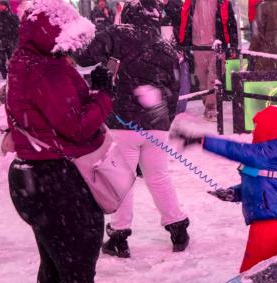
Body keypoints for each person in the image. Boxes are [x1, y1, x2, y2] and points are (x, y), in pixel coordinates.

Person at [5, 0, 111, 283]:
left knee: (54, 260)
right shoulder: (46, 69)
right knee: (77, 265)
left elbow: (52, 110)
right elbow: (76, 126)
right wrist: (104, 97)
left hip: (31, 175)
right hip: (56, 179)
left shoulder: (25, 61)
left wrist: (87, 88)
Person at [74, 0, 192, 259]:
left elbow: (83, 56)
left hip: (123, 122)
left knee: (122, 181)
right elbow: (175, 91)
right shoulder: (166, 47)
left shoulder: (117, 35)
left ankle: (119, 235)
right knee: (159, 177)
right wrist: (164, 120)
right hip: (157, 122)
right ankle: (177, 228)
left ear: (127, 15)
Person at [174, 105, 277, 273]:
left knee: (253, 274)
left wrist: (201, 140)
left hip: (268, 226)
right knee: (264, 274)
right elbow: (262, 184)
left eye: (257, 127)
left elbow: (234, 149)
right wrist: (235, 193)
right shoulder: (271, 154)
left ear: (271, 128)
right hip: (269, 223)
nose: (253, 131)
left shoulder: (266, 152)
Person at [176, 0, 240, 119]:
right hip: (197, 47)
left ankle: (211, 107)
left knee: (213, 77)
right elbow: (184, 23)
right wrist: (183, 44)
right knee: (201, 79)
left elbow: (231, 22)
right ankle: (208, 105)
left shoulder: (222, 2)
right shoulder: (191, 3)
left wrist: (233, 45)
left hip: (216, 46)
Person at [250, 0, 277, 71]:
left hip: (267, 59)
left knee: (267, 80)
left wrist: (251, 51)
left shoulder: (262, 8)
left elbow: (257, 36)